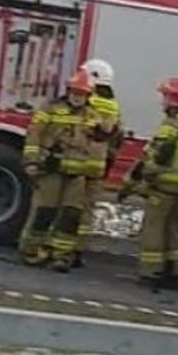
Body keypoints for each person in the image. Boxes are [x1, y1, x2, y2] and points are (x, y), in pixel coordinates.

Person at [121, 77, 178, 291]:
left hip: (163, 190)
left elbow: (153, 156)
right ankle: (173, 273)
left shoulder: (170, 126)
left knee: (154, 231)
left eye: (165, 97)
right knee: (176, 233)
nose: (163, 102)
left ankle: (151, 273)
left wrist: (131, 181)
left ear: (173, 100)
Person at [17, 67, 104, 272]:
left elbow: (99, 144)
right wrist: (32, 161)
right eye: (74, 92)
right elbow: (34, 136)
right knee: (44, 212)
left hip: (77, 176)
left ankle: (61, 256)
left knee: (70, 217)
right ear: (68, 91)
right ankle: (31, 251)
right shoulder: (51, 110)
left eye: (82, 94)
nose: (77, 97)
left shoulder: (93, 116)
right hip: (51, 171)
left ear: (88, 95)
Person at [73, 57, 123, 268]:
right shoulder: (113, 106)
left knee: (69, 206)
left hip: (77, 161)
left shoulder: (86, 101)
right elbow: (116, 138)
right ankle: (77, 251)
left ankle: (60, 248)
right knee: (87, 211)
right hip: (98, 164)